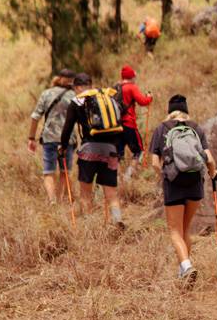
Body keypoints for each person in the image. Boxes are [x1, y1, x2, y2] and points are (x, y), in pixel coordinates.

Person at [149, 94, 217, 284]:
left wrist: (164, 175)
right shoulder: (196, 128)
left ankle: (186, 266)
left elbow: (155, 162)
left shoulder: (161, 129)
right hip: (195, 182)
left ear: (169, 111)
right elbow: (209, 159)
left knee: (174, 230)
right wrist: (213, 174)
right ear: (186, 111)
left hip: (174, 183)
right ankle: (184, 271)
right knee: (186, 229)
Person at [59, 73, 125, 229]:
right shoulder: (106, 98)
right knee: (111, 193)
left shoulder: (77, 102)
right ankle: (117, 220)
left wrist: (62, 147)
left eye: (74, 88)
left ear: (78, 87)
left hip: (89, 150)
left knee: (86, 194)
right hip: (110, 150)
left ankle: (90, 227)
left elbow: (68, 128)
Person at [28, 69, 77, 204]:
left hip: (49, 138)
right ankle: (60, 200)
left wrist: (31, 138)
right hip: (67, 140)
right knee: (64, 171)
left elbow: (35, 117)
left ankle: (52, 201)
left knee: (48, 172)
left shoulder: (46, 94)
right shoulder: (74, 95)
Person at [115, 65, 153, 181]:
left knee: (118, 155)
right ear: (131, 77)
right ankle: (127, 177)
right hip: (129, 124)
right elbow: (143, 101)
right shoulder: (131, 87)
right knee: (139, 151)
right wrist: (149, 97)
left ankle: (117, 179)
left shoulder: (116, 88)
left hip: (116, 126)